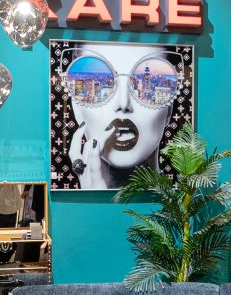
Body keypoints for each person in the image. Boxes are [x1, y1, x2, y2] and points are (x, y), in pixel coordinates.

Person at [60, 42, 185, 191]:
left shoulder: (189, 201)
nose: (123, 103)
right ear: (77, 107)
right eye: (102, 83)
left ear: (169, 108)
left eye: (147, 86)